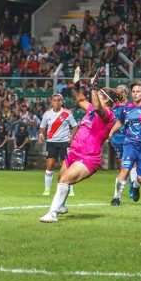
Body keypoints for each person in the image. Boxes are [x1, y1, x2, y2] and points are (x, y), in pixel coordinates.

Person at [40, 86, 120, 223]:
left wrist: (94, 88)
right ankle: (61, 207)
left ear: (106, 100)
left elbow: (97, 108)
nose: (95, 96)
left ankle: (52, 213)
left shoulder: (108, 115)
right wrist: (77, 87)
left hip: (88, 157)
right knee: (61, 179)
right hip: (75, 152)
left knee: (65, 180)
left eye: (99, 95)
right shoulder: (91, 110)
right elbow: (81, 99)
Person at [38, 93, 78, 196]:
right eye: (54, 100)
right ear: (51, 102)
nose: (56, 102)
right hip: (51, 142)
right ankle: (47, 189)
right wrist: (41, 134)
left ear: (62, 102)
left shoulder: (67, 113)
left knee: (66, 166)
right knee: (50, 165)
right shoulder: (47, 114)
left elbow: (75, 126)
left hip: (64, 143)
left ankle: (70, 189)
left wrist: (71, 136)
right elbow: (42, 126)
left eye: (58, 100)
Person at [108, 85, 128, 169]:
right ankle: (126, 179)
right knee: (120, 160)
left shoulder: (130, 106)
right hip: (117, 138)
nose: (119, 94)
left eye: (122, 92)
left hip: (129, 137)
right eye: (117, 93)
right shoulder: (113, 107)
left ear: (126, 94)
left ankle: (133, 179)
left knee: (129, 159)